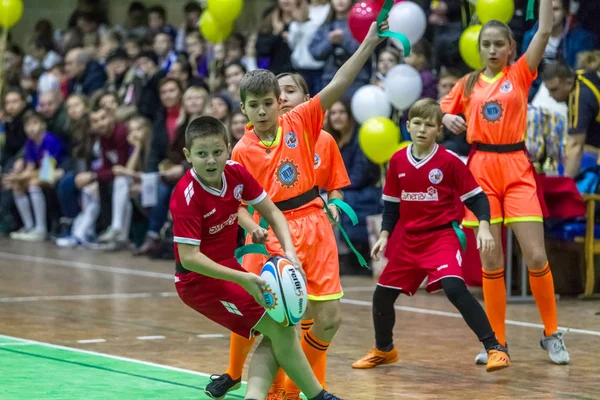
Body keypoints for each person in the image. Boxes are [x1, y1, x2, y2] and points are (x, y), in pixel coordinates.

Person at [205, 19, 389, 400]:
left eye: (267, 103)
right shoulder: (240, 151)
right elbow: (235, 205)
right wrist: (250, 225)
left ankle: (294, 384)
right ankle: (277, 391)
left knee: (329, 320)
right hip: (271, 231)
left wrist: (368, 44)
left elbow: (338, 82)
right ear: (243, 108)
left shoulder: (302, 121)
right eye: (253, 106)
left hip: (313, 224)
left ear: (280, 101)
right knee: (277, 324)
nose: (261, 111)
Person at [171, 116, 342, 400]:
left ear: (228, 148)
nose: (211, 160)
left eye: (217, 152)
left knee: (282, 328)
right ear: (189, 156)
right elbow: (189, 259)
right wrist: (245, 277)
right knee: (280, 328)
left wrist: (289, 252)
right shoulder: (186, 197)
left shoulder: (236, 173)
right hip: (197, 282)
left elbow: (272, 212)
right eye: (202, 154)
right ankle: (318, 396)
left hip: (227, 269)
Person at [439, 0, 570, 365]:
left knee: (537, 255)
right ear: (479, 48)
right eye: (487, 44)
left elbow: (543, 31)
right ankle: (496, 343)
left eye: (499, 44)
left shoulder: (521, 73)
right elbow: (436, 111)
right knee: (490, 261)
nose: (493, 50)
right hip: (480, 169)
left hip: (516, 165)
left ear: (511, 48)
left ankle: (551, 334)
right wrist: (447, 119)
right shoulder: (466, 84)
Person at [351, 99, 510, 372]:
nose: (422, 129)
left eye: (429, 124)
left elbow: (478, 199)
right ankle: (384, 350)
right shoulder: (398, 160)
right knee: (382, 295)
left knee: (454, 287)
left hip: (442, 237)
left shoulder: (449, 162)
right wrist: (385, 234)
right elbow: (391, 205)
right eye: (417, 123)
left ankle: (495, 348)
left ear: (439, 130)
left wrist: (484, 225)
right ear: (408, 126)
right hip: (409, 241)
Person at [542, 63, 600, 177]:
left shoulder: (580, 97)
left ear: (568, 83)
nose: (550, 95)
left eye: (554, 90)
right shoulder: (581, 76)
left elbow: (576, 146)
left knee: (570, 147)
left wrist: (566, 185)